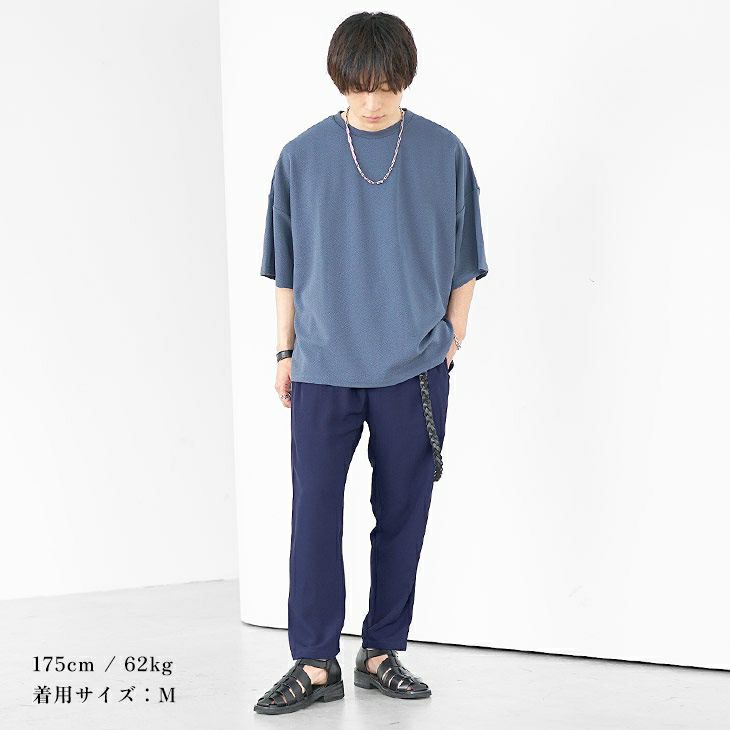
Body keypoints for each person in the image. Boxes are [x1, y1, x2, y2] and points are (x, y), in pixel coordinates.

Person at [254, 11, 488, 715]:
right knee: (314, 517)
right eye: (360, 87)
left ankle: (382, 651)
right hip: (323, 365)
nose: (373, 101)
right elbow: (285, 267)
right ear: (340, 81)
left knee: (403, 513)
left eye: (386, 86)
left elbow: (466, 255)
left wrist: (454, 335)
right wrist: (285, 350)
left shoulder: (444, 151)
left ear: (405, 79)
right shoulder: (301, 156)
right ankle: (314, 662)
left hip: (413, 368)